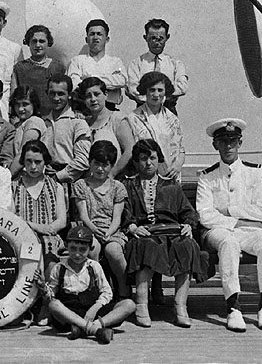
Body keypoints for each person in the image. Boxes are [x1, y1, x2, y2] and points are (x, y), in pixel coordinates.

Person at [196, 118, 262, 332]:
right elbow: (206, 216)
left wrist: (229, 212)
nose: (228, 146)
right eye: (222, 141)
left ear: (240, 143)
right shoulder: (207, 177)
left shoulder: (255, 172)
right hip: (217, 232)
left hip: (248, 231)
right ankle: (233, 308)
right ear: (215, 145)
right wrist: (239, 220)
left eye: (232, 140)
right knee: (228, 243)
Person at [123, 139, 205, 328]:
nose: (148, 163)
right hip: (145, 233)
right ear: (136, 161)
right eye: (143, 159)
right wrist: (133, 227)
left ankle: (180, 306)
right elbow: (125, 212)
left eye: (152, 158)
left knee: (187, 246)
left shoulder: (171, 186)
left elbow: (188, 212)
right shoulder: (129, 185)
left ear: (158, 159)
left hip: (171, 232)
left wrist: (188, 225)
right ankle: (142, 305)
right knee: (146, 245)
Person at [34, 226, 135, 344]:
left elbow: (107, 292)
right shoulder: (59, 268)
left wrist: (95, 308)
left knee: (129, 304)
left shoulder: (94, 266)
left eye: (82, 250)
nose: (77, 254)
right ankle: (95, 330)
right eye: (73, 248)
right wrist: (43, 286)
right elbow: (51, 296)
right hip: (70, 314)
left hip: (92, 313)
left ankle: (84, 327)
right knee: (54, 305)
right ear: (66, 246)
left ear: (90, 249)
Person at [12, 140, 67, 325]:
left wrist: (48, 229)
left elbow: (61, 220)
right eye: (28, 162)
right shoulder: (14, 186)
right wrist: (36, 227)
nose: (33, 166)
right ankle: (23, 305)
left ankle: (46, 303)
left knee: (49, 249)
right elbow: (12, 218)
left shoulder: (55, 186)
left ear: (45, 162)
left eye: (38, 162)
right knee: (28, 248)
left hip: (49, 236)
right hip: (22, 235)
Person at [72, 140, 130, 298]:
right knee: (92, 249)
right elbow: (83, 215)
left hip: (112, 231)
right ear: (90, 162)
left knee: (113, 251)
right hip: (89, 229)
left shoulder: (118, 187)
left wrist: (109, 233)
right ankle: (98, 287)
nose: (99, 168)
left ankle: (123, 284)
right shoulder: (81, 185)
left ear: (111, 166)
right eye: (96, 163)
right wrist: (95, 230)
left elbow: (117, 218)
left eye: (105, 165)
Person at [118, 71, 184, 182]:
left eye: (160, 90)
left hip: (171, 175)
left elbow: (181, 148)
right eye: (152, 90)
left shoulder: (172, 119)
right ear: (145, 91)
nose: (156, 94)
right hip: (145, 175)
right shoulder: (133, 118)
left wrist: (178, 165)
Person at [126, 19, 188, 115]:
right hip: (143, 112)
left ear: (167, 37)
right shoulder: (136, 64)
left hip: (168, 110)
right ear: (145, 37)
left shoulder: (175, 64)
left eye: (160, 39)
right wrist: (163, 95)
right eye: (153, 38)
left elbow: (182, 87)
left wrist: (154, 95)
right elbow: (133, 88)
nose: (156, 42)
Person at [77, 77, 134, 178]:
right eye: (88, 96)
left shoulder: (116, 119)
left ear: (106, 95)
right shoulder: (84, 123)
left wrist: (112, 173)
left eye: (97, 94)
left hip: (113, 180)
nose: (93, 99)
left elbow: (129, 150)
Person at [67, 19, 127, 111]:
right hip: (83, 110)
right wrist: (106, 82)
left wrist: (89, 79)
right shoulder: (77, 61)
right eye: (92, 34)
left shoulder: (115, 62)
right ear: (86, 39)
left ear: (107, 39)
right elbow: (74, 84)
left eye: (99, 34)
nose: (95, 37)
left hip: (109, 108)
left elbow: (122, 80)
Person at [41, 74, 91, 183]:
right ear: (47, 93)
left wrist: (59, 176)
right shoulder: (42, 123)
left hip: (69, 182)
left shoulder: (78, 123)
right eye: (52, 93)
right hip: (43, 180)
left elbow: (83, 160)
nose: (56, 98)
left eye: (61, 94)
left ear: (70, 95)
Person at [11, 25, 66, 116]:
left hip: (53, 116)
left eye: (42, 41)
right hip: (28, 116)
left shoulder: (58, 67)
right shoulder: (20, 68)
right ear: (28, 43)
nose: (37, 45)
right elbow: (14, 97)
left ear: (48, 43)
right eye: (34, 41)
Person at [8, 86, 47, 176]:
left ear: (34, 104)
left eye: (25, 104)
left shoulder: (34, 121)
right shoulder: (18, 124)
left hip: (30, 175)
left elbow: (23, 153)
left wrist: (8, 177)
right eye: (17, 104)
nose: (21, 109)